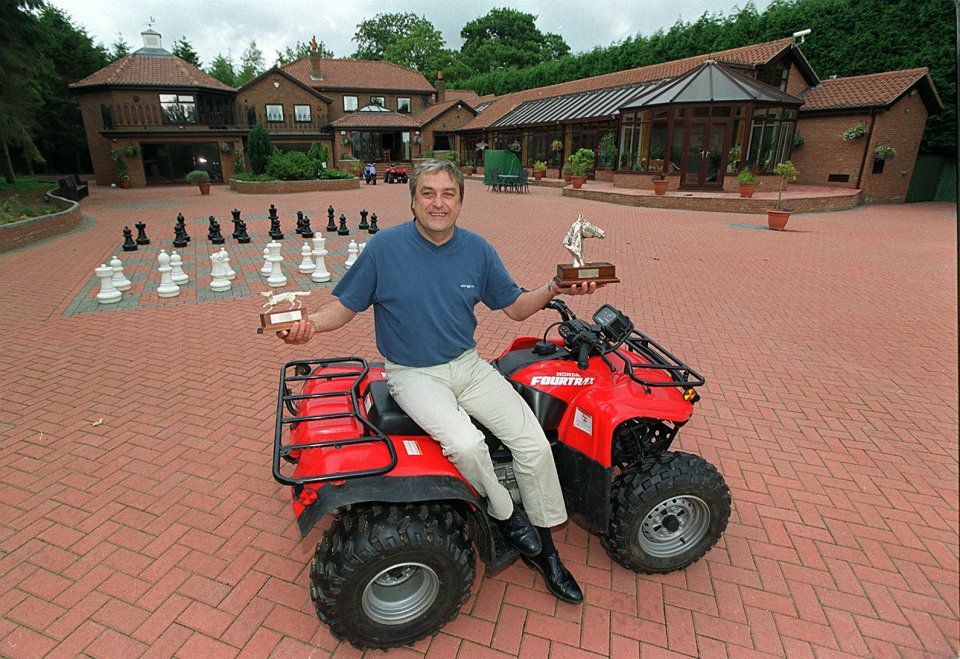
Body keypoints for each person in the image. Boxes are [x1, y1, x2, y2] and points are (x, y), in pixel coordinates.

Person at [280, 159, 596, 603]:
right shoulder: (385, 249)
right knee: (466, 444)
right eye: (428, 193)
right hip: (413, 374)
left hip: (467, 366)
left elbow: (516, 308)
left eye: (448, 194)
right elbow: (344, 307)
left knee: (534, 443)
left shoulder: (477, 250)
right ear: (412, 199)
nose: (438, 203)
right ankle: (508, 518)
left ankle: (546, 550)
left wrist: (554, 286)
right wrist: (310, 324)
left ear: (461, 201)